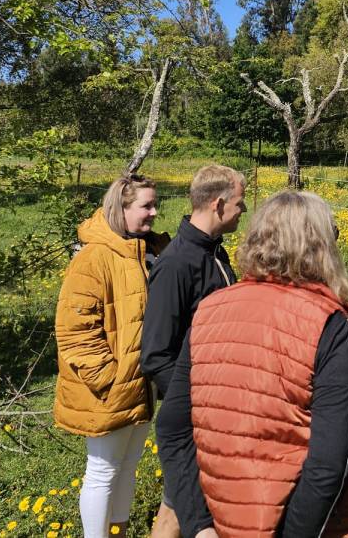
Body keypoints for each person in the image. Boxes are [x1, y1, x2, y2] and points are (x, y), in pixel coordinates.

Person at [160, 191, 348, 538]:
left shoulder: (209, 311)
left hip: (221, 523)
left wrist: (199, 525)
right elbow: (330, 464)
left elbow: (173, 429)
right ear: (319, 245)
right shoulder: (329, 322)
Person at [54, 173, 170, 538]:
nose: (154, 213)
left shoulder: (145, 250)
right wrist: (108, 377)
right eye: (146, 206)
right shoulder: (95, 257)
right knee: (103, 470)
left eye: (155, 204)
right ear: (121, 208)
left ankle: (117, 530)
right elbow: (75, 330)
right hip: (112, 386)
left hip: (141, 382)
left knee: (129, 464)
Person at [142, 164, 247, 538]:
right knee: (181, 504)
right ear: (218, 205)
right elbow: (155, 355)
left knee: (180, 501)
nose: (242, 212)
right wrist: (196, 401)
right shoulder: (176, 264)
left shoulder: (214, 253)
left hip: (216, 407)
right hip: (193, 413)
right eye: (239, 204)